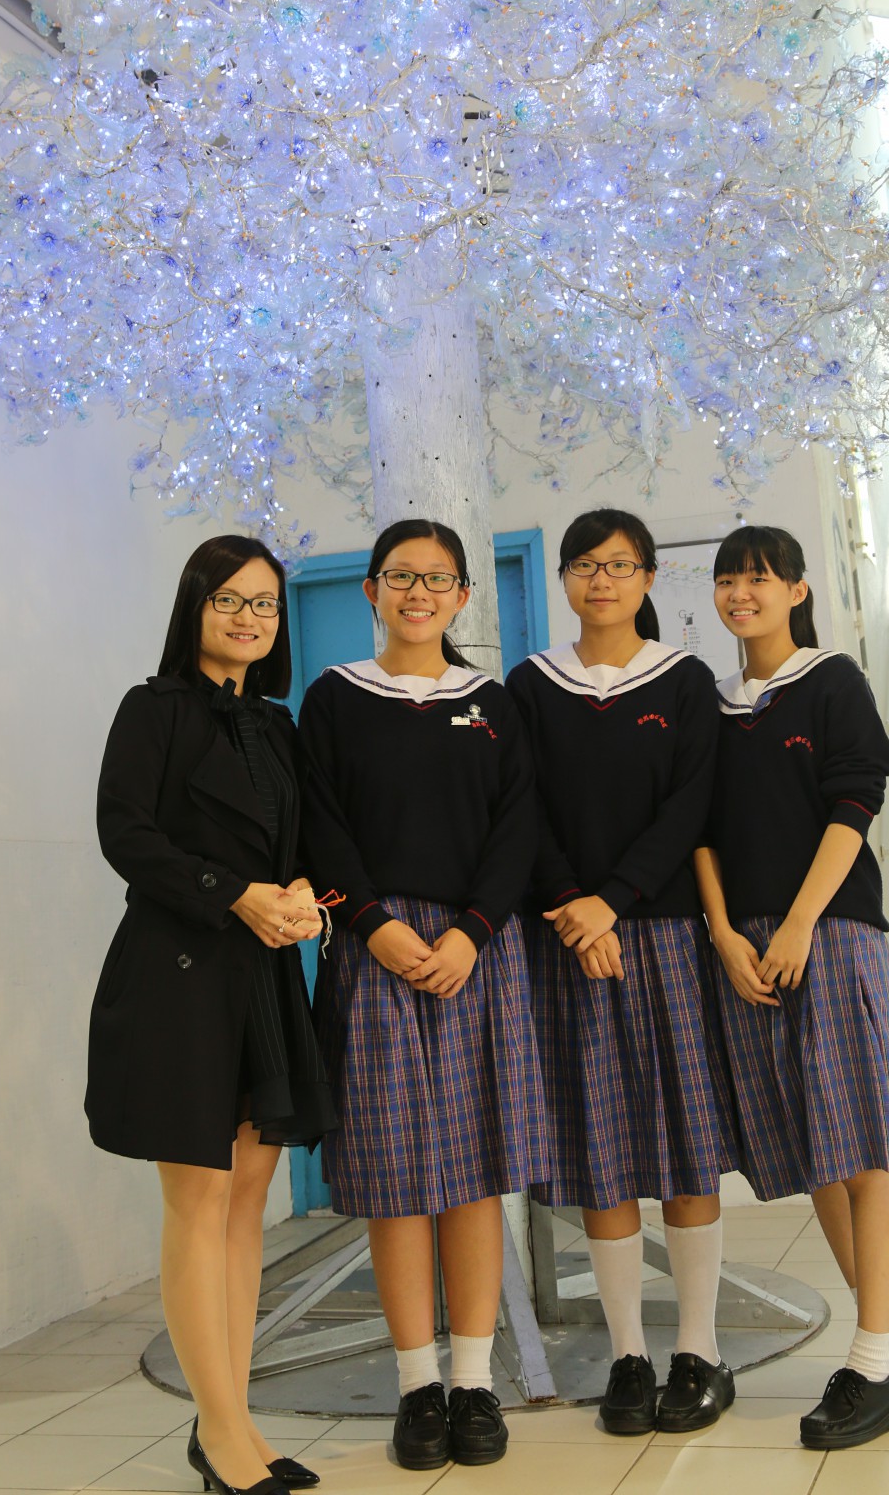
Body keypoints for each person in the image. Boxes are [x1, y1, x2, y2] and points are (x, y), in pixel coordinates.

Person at [87, 535, 336, 1495]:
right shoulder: (151, 709)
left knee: (245, 1210)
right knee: (198, 1203)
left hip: (264, 977)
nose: (247, 617)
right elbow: (125, 834)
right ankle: (225, 1436)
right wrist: (231, 894)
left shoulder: (276, 725)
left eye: (264, 603)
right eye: (228, 598)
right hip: (178, 974)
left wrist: (303, 893)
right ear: (194, 606)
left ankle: (229, 1423)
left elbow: (297, 846)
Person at [298, 519, 546, 1473]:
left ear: (462, 596)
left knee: (475, 1171)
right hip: (377, 953)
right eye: (401, 577)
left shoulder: (492, 702)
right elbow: (320, 824)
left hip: (477, 953)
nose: (418, 594)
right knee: (397, 1179)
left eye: (438, 579)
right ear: (371, 590)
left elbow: (519, 824)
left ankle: (475, 1382)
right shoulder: (334, 699)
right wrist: (375, 926)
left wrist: (472, 933)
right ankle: (417, 1387)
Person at [506, 508, 738, 1437]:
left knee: (683, 1145)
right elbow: (520, 809)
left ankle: (700, 1351)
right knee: (601, 1154)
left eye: (618, 564)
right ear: (563, 578)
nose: (600, 580)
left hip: (665, 933)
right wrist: (575, 904)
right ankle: (630, 1356)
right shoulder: (530, 685)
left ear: (647, 577)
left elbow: (692, 807)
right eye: (583, 565)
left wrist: (614, 900)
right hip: (568, 940)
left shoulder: (684, 681)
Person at [695, 524, 889, 1451]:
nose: (740, 593)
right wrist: (722, 933)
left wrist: (796, 924)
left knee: (866, 1149)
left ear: (796, 590)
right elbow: (698, 831)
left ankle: (872, 1366)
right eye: (727, 579)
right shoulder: (712, 705)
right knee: (817, 1152)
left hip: (826, 933)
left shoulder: (833, 682)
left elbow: (854, 802)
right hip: (744, 949)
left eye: (759, 578)